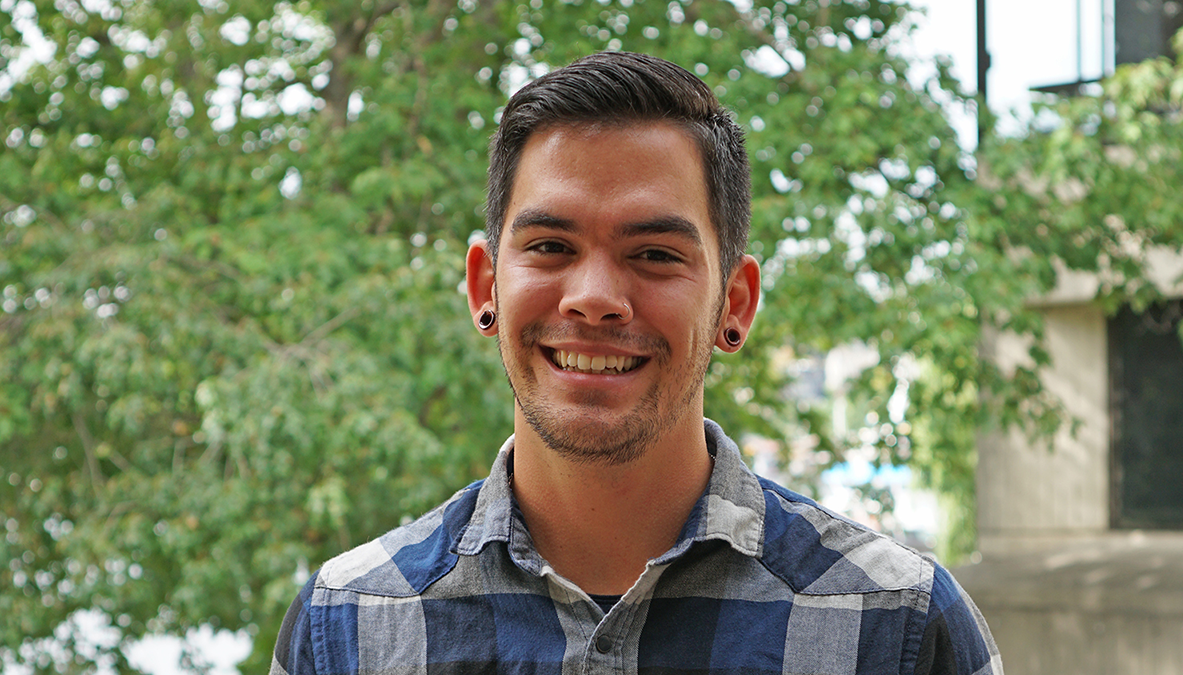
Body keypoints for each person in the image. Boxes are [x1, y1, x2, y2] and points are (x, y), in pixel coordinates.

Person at [269, 51, 1003, 675]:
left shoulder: (898, 628)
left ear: (735, 303)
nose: (594, 298)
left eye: (654, 254)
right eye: (551, 247)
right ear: (485, 285)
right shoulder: (349, 629)